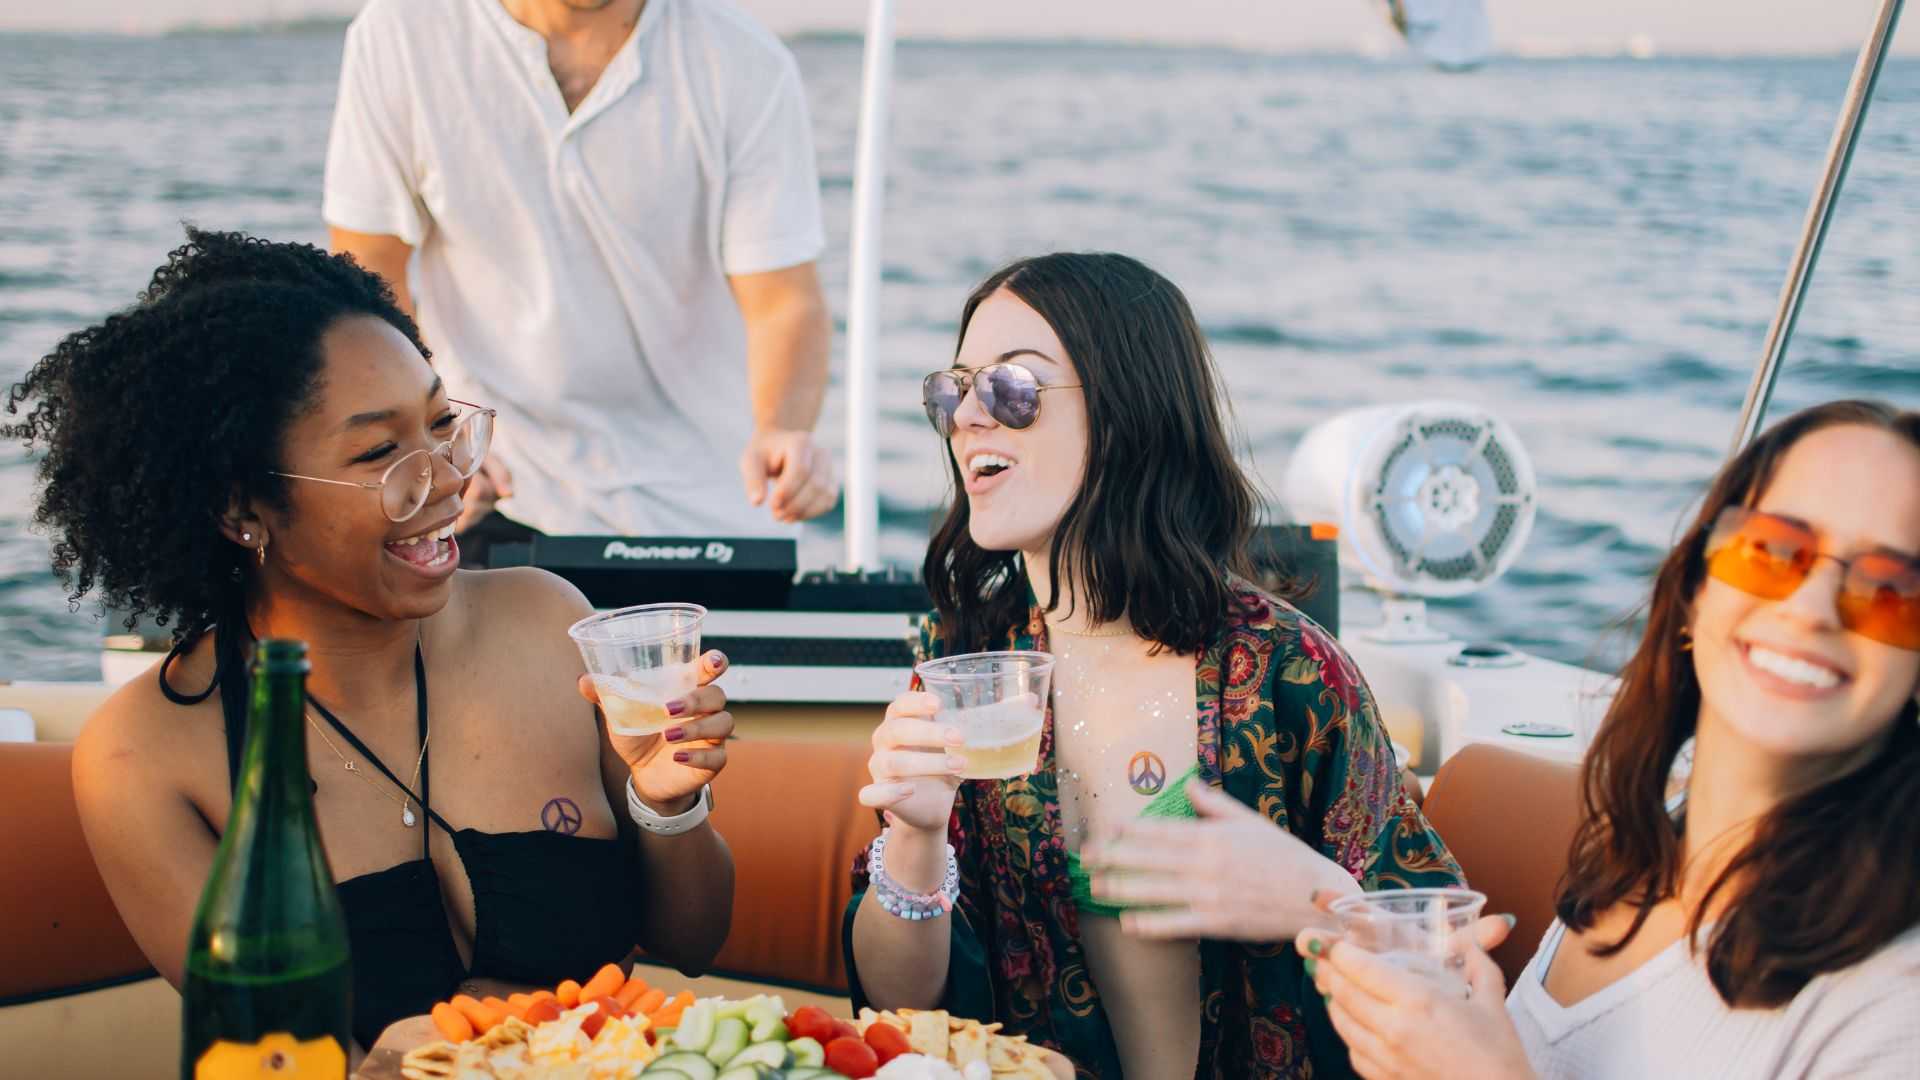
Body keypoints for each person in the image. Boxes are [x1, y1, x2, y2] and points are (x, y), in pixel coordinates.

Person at [4, 229, 737, 1052]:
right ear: (242, 511)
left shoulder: (545, 622)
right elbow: (275, 1054)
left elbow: (693, 944)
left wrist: (667, 806)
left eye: (440, 424)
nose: (451, 480)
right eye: (384, 452)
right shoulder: (143, 757)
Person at [845, 252, 1464, 1079]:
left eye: (1012, 390)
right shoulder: (963, 665)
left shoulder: (1288, 673)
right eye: (954, 392)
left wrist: (1316, 899)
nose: (968, 419)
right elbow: (899, 1011)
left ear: (1128, 410)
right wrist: (915, 839)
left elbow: (1447, 986)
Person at [1298, 400, 1920, 1079]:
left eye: (1891, 590)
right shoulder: (1629, 851)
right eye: (1771, 550)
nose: (1810, 611)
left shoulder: (1891, 1003)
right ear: (1692, 593)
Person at [323, 0, 837, 551]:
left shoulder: (743, 61)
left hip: (709, 500)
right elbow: (370, 277)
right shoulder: (401, 36)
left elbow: (784, 302)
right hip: (495, 486)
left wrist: (782, 429)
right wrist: (435, 438)